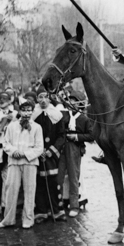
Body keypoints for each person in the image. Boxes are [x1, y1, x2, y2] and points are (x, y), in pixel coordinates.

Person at [0, 100, 43, 230]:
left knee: (29, 190)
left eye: (29, 110)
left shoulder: (37, 127)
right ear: (20, 111)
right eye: (24, 110)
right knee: (11, 190)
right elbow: (5, 143)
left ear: (32, 111)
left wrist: (24, 153)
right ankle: (8, 220)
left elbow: (39, 148)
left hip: (30, 162)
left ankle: (28, 219)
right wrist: (13, 151)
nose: (27, 113)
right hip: (14, 162)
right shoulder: (11, 126)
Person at [32, 86, 66, 222]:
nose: (43, 100)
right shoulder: (33, 115)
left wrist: (52, 150)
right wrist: (38, 150)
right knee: (39, 182)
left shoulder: (57, 115)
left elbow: (61, 135)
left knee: (53, 182)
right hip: (38, 154)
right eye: (40, 97)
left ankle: (56, 210)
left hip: (51, 154)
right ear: (37, 99)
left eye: (46, 97)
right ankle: (41, 211)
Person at [58, 90, 94, 218]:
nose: (71, 103)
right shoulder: (63, 115)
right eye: (70, 101)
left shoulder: (84, 119)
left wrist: (77, 137)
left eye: (74, 101)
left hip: (74, 148)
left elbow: (91, 136)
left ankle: (74, 206)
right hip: (62, 147)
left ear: (79, 104)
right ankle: (59, 204)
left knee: (74, 177)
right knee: (59, 176)